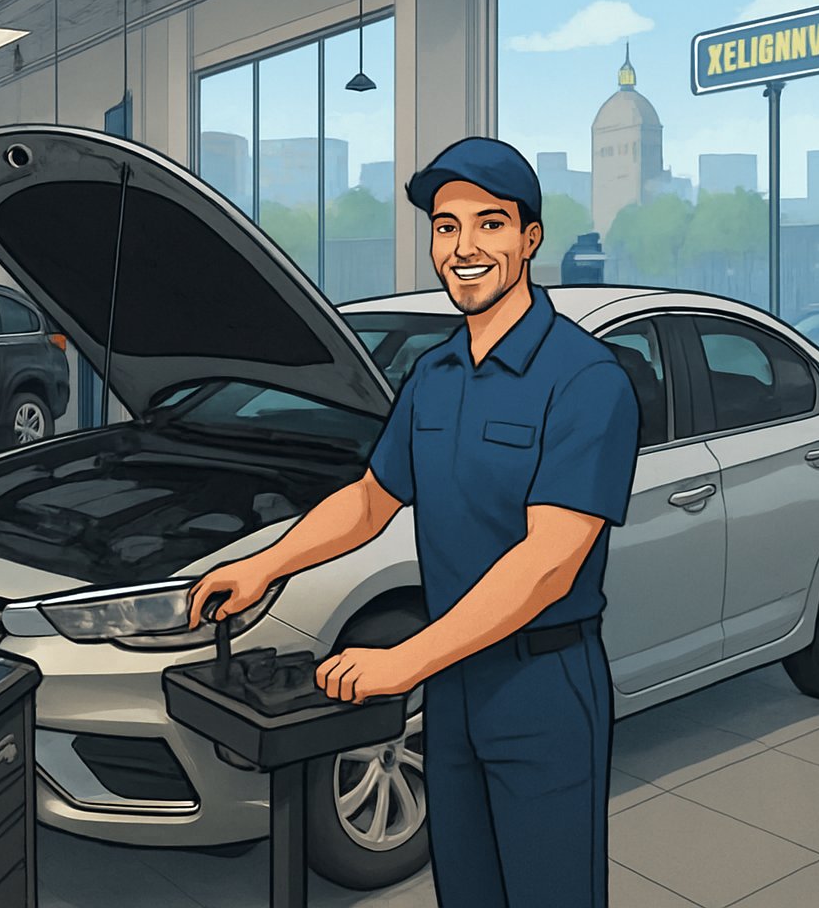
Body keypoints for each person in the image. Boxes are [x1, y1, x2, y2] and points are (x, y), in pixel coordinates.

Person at [187, 137, 640, 908]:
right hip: (454, 686)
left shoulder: (587, 380)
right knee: (466, 890)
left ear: (530, 239)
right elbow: (370, 499)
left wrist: (405, 660)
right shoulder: (432, 376)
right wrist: (266, 564)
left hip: (543, 684)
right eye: (445, 226)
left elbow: (550, 561)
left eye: (489, 224)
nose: (463, 248)